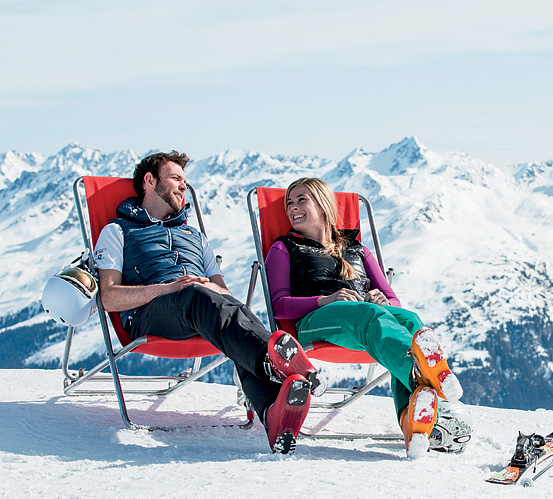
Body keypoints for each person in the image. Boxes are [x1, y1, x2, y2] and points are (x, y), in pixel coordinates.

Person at [93, 150, 317, 455]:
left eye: (185, 181)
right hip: (148, 314)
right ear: (150, 181)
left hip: (200, 310)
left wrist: (207, 287)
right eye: (176, 178)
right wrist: (167, 289)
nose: (184, 186)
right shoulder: (118, 231)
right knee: (199, 299)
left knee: (233, 313)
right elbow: (108, 297)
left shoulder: (196, 236)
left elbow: (224, 293)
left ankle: (271, 411)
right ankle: (271, 358)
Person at [264, 177, 472, 457]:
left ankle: (410, 421)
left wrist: (383, 300)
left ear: (323, 205)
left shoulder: (357, 249)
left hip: (364, 319)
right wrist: (325, 300)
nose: (292, 207)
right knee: (370, 314)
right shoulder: (284, 247)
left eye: (302, 199)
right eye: (289, 202)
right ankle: (423, 377)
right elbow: (279, 306)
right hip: (315, 322)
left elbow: (393, 300)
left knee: (409, 320)